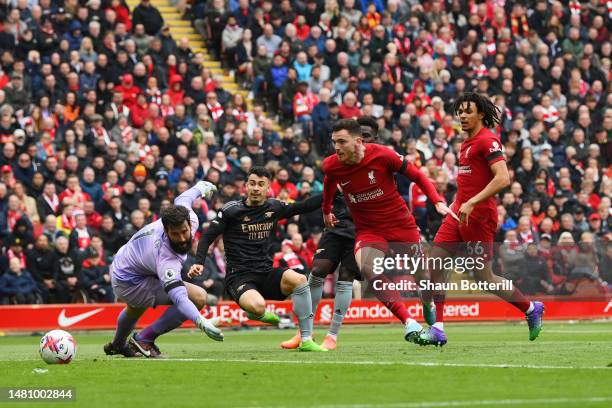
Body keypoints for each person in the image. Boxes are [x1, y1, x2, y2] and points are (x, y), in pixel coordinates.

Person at [420, 93, 544, 346]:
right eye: (460, 111)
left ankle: (531, 308)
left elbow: (503, 178)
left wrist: (473, 201)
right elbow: (468, 182)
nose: (462, 116)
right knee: (434, 262)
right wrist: (456, 202)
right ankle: (438, 329)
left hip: (479, 217)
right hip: (458, 213)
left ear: (481, 115)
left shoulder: (488, 141)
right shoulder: (465, 143)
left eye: (468, 111)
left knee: (484, 279)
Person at [321, 119, 456, 343]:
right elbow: (329, 184)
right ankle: (409, 322)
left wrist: (437, 200)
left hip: (401, 225)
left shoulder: (383, 155)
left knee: (422, 276)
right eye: (334, 142)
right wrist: (326, 210)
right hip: (369, 230)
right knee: (367, 267)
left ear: (358, 141)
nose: (336, 147)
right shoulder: (331, 164)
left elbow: (418, 175)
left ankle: (427, 302)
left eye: (341, 142)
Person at [281, 116, 390, 350]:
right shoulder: (339, 164)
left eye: (367, 136)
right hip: (335, 227)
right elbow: (326, 195)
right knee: (317, 270)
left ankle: (332, 335)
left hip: (361, 231)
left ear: (372, 139)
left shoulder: (380, 163)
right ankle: (304, 333)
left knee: (346, 279)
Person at [190, 167, 327, 352]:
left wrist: (331, 192)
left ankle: (306, 339)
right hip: (239, 276)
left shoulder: (274, 207)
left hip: (265, 271)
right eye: (252, 184)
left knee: (300, 279)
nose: (256, 188)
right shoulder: (231, 210)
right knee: (258, 306)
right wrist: (199, 261)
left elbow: (303, 206)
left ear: (268, 188)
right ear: (245, 186)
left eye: (261, 184)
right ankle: (257, 313)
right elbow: (207, 237)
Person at [104, 181, 223, 359]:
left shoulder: (189, 217)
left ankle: (118, 344)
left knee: (135, 309)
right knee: (198, 297)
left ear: (189, 224)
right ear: (166, 232)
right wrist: (201, 321)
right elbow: (179, 297)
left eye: (184, 231)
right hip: (129, 281)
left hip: (127, 261)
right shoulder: (165, 257)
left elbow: (183, 198)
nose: (182, 238)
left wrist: (200, 187)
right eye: (175, 234)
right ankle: (144, 339)